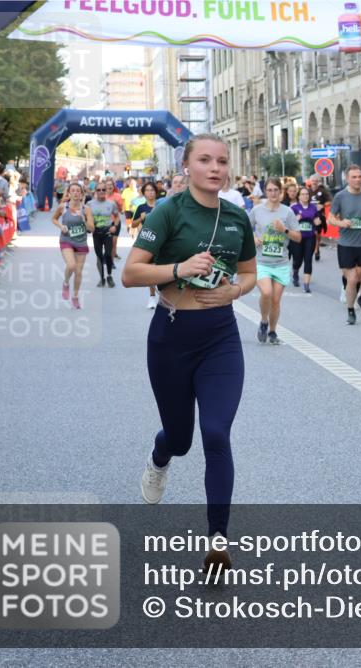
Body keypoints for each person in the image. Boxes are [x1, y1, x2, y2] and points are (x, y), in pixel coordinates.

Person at [122, 133, 256, 578]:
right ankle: (160, 456)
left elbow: (249, 273)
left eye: (222, 161)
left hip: (221, 338)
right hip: (171, 336)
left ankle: (218, 541)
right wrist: (179, 269)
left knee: (216, 433)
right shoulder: (169, 211)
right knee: (181, 440)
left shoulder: (237, 217)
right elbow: (131, 273)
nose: (215, 168)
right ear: (187, 166)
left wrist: (235, 291)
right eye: (205, 160)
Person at [250, 177, 301, 344]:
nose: (273, 193)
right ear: (265, 191)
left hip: (281, 262)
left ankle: (272, 331)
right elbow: (245, 230)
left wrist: (284, 229)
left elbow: (298, 237)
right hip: (261, 261)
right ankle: (264, 321)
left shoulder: (288, 212)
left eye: (276, 190)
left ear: (281, 192)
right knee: (266, 292)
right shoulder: (257, 210)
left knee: (275, 300)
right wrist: (253, 238)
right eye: (270, 190)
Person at [330, 164, 361, 325]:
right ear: (347, 178)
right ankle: (350, 310)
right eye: (354, 177)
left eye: (360, 177)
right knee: (352, 279)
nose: (358, 180)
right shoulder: (340, 196)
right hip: (346, 244)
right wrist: (341, 223)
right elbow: (330, 218)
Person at [51, 182, 94, 310]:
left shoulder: (86, 209)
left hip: (81, 242)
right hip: (67, 240)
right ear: (69, 193)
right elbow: (54, 219)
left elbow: (91, 228)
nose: (75, 193)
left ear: (81, 194)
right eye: (73, 191)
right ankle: (66, 283)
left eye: (78, 191)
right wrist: (61, 226)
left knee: (78, 272)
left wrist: (84, 219)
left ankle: (75, 296)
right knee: (71, 265)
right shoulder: (63, 207)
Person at [132, 182, 162, 308]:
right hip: (148, 240)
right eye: (147, 190)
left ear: (156, 192)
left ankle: (164, 295)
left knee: (162, 267)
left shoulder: (162, 205)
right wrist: (141, 218)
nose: (150, 193)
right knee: (150, 269)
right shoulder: (141, 207)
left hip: (162, 240)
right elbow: (133, 224)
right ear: (144, 193)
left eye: (152, 190)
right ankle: (152, 296)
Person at [89, 181, 120, 288]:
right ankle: (101, 278)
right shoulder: (89, 204)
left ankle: (109, 276)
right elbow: (85, 218)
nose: (101, 191)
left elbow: (117, 216)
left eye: (103, 189)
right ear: (95, 191)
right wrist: (88, 226)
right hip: (96, 232)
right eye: (99, 190)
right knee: (99, 256)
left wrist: (114, 226)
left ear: (106, 191)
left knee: (108, 254)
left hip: (107, 232)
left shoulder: (111, 203)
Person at [290, 186, 321, 293]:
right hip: (297, 238)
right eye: (302, 194)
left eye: (307, 194)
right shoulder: (294, 208)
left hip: (310, 237)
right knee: (298, 259)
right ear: (299, 196)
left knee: (308, 259)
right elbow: (289, 222)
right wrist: (295, 219)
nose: (305, 196)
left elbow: (317, 220)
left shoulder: (313, 207)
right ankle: (295, 271)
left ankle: (306, 285)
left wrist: (318, 221)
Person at [309, 174, 332, 261]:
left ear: (318, 182)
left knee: (317, 233)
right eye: (313, 180)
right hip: (309, 215)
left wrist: (322, 205)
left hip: (319, 215)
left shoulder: (322, 191)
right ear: (310, 181)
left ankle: (317, 248)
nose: (314, 182)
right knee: (312, 233)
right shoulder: (307, 191)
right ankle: (313, 248)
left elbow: (330, 201)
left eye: (316, 180)